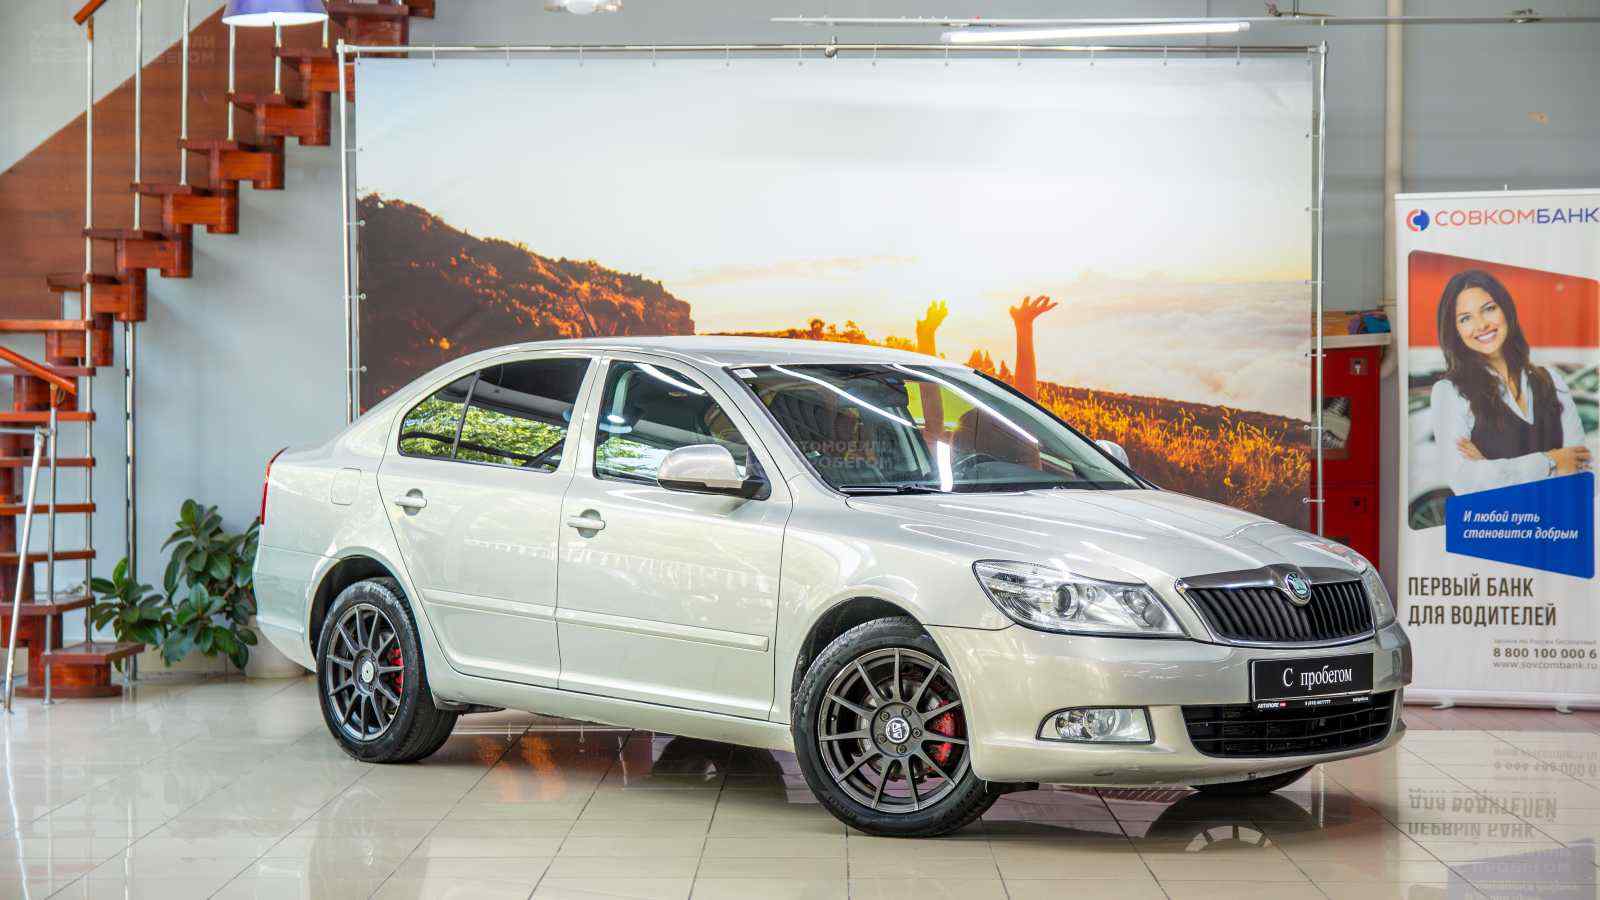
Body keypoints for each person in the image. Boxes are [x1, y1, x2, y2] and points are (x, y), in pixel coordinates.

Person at [1429, 269, 1590, 497]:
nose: (1481, 325)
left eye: (1489, 309)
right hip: (1498, 519)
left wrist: (1492, 469)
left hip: (1556, 519)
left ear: (1506, 309)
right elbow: (1467, 483)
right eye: (1465, 318)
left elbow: (1583, 472)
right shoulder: (1449, 392)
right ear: (1455, 330)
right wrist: (1552, 461)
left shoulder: (1551, 381)